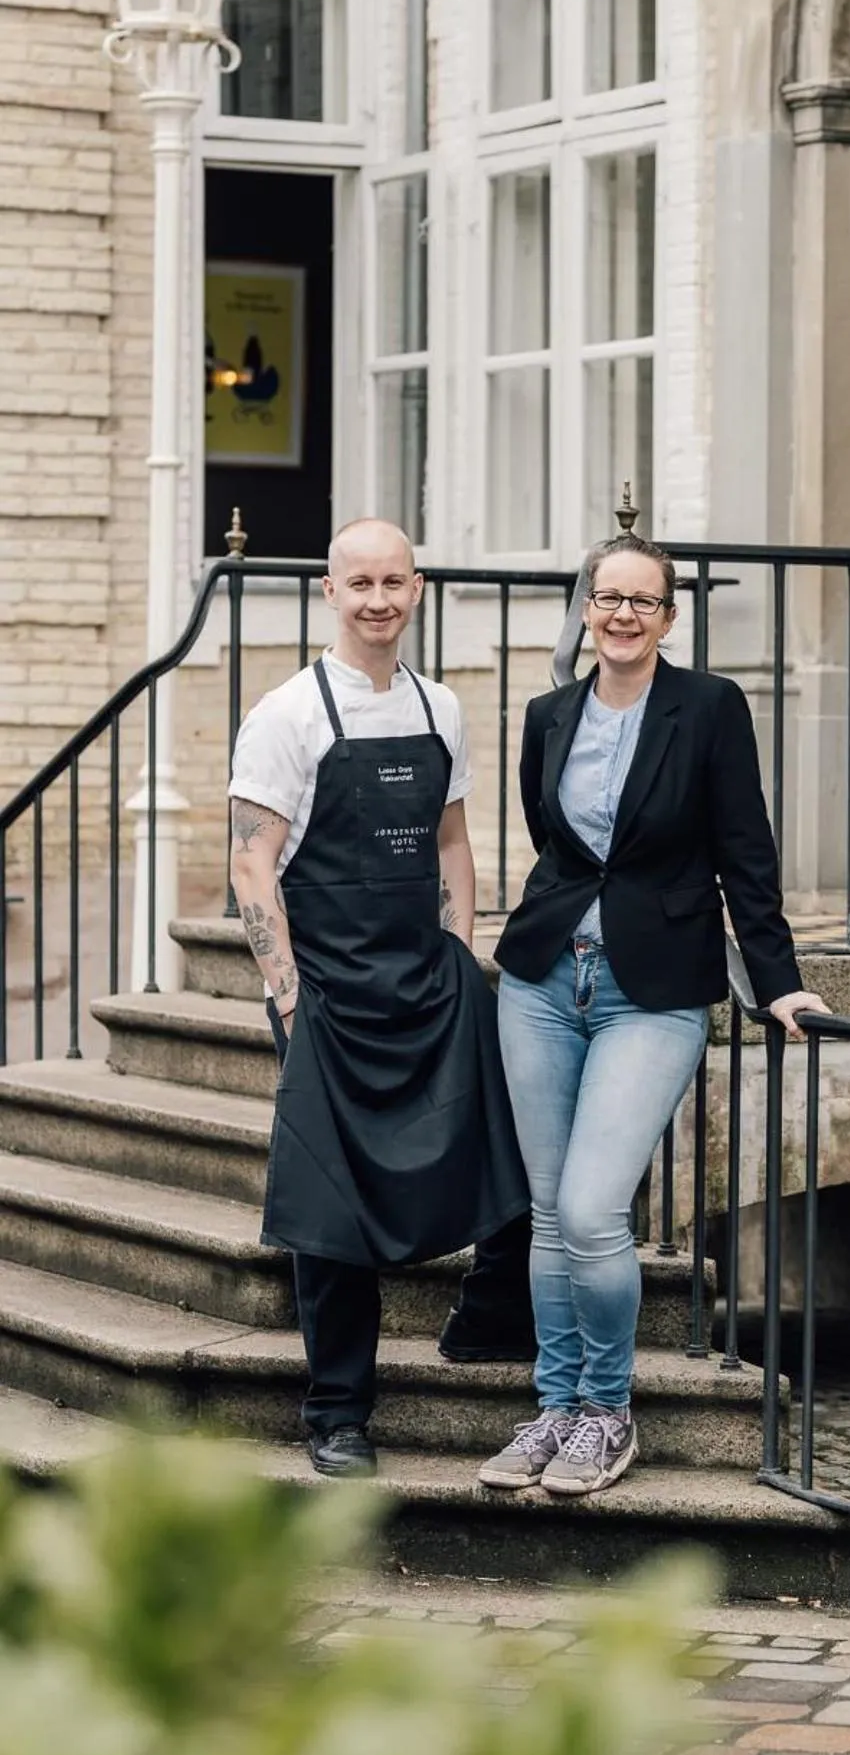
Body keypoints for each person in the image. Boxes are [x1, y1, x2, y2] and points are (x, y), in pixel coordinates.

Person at [478, 534, 827, 1498]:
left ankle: (608, 1413)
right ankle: (557, 1409)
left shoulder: (708, 709)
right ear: (585, 609)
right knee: (549, 1213)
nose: (624, 614)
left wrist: (778, 976)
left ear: (669, 618)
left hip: (655, 989)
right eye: (608, 597)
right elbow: (555, 846)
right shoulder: (548, 716)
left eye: (644, 600)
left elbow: (744, 851)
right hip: (543, 982)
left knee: (594, 1207)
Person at [228, 517, 530, 1477]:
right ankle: (339, 1414)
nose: (377, 600)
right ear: (329, 592)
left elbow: (450, 839)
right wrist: (286, 995)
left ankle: (486, 1321)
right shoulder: (288, 715)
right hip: (327, 992)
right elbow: (250, 862)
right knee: (333, 1210)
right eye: (359, 583)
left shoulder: (442, 707)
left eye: (393, 581)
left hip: (428, 977)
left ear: (418, 587)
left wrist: (459, 952)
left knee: (504, 1145)